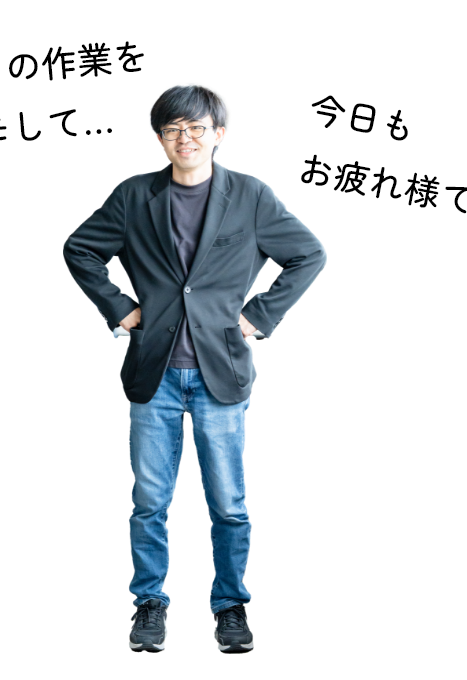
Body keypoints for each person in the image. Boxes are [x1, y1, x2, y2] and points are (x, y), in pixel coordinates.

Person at [62, 82, 326, 653]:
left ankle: (231, 605)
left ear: (219, 134)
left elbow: (310, 253)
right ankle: (149, 603)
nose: (186, 138)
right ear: (160, 138)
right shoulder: (133, 195)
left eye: (197, 128)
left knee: (228, 504)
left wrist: (257, 316)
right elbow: (79, 248)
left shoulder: (251, 194)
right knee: (149, 503)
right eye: (173, 129)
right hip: (152, 372)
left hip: (220, 371)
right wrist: (120, 309)